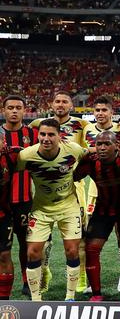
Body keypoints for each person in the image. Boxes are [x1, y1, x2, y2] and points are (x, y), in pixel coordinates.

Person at [7, 119, 87, 301]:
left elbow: (90, 156)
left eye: (51, 134)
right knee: (33, 252)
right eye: (43, 134)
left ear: (60, 136)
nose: (46, 138)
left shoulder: (73, 149)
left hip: (69, 206)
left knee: (72, 251)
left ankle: (70, 297)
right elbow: (8, 169)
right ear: (38, 135)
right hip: (41, 208)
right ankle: (36, 299)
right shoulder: (26, 155)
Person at [30, 90, 90, 293]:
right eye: (57, 101)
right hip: (44, 186)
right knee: (43, 239)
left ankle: (81, 276)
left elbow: (94, 143)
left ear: (71, 106)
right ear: (52, 104)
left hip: (73, 187)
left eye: (65, 101)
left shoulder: (81, 125)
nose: (61, 105)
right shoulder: (38, 124)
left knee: (78, 237)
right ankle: (44, 272)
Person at [73, 131, 120, 302]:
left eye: (107, 144)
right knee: (91, 249)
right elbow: (73, 176)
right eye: (99, 144)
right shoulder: (90, 161)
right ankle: (96, 294)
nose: (102, 148)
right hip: (102, 210)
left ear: (116, 146)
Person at [80, 95, 120, 294]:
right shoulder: (87, 129)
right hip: (95, 191)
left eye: (104, 110)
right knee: (90, 238)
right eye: (97, 110)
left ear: (112, 112)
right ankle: (90, 282)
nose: (100, 114)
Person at [1, 94, 38, 296]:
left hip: (24, 200)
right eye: (10, 107)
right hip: (2, 203)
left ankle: (26, 280)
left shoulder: (33, 134)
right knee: (3, 249)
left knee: (27, 244)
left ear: (25, 111)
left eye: (18, 107)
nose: (14, 111)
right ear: (4, 110)